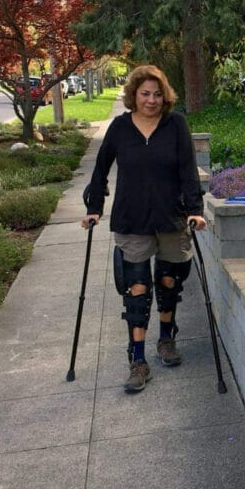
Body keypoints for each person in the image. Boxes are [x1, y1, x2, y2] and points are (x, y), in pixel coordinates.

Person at [81, 65, 206, 394]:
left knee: (168, 283)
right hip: (132, 219)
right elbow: (101, 168)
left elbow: (187, 172)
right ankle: (137, 361)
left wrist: (195, 210)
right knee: (136, 290)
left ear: (165, 96)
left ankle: (166, 340)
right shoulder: (120, 128)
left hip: (170, 217)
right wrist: (94, 208)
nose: (151, 100)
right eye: (145, 93)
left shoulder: (176, 124)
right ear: (133, 95)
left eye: (157, 94)